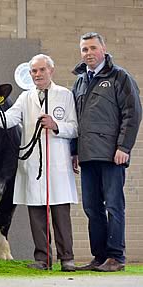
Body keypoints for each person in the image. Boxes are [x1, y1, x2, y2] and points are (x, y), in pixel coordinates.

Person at [0, 54, 78, 272]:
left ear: (51, 71)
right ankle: (43, 259)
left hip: (57, 165)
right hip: (33, 164)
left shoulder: (65, 95)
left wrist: (56, 125)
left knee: (60, 215)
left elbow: (74, 128)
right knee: (37, 214)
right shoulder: (25, 97)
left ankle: (67, 259)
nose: (37, 74)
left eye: (41, 70)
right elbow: (10, 120)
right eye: (33, 71)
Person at [71, 32, 142, 272]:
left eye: (92, 48)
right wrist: (74, 151)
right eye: (84, 49)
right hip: (88, 156)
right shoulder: (80, 81)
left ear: (103, 48)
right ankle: (99, 256)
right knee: (92, 208)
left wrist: (124, 147)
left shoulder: (119, 77)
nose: (88, 53)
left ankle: (116, 257)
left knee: (114, 205)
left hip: (112, 154)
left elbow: (132, 114)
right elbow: (75, 120)